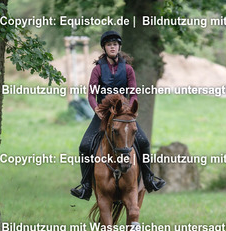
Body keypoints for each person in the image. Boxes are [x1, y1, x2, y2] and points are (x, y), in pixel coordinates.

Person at [70, 30, 166, 200]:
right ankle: (86, 186)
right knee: (85, 146)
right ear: (104, 48)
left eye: (115, 44)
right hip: (103, 115)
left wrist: (130, 109)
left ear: (119, 47)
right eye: (109, 45)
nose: (112, 47)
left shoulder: (128, 69)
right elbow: (91, 95)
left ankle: (149, 179)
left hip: (123, 115)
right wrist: (96, 110)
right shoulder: (97, 70)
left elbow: (133, 93)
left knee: (144, 142)